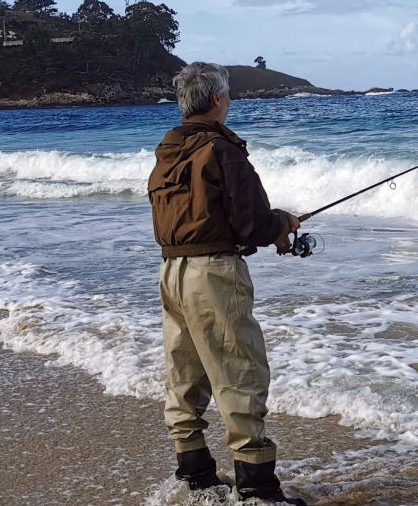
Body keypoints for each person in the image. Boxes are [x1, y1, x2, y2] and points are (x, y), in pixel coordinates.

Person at [147, 62, 306, 506]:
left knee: (185, 373)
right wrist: (281, 224)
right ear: (217, 100)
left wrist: (269, 225)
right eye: (228, 95)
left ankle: (195, 476)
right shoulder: (223, 150)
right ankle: (257, 489)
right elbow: (252, 223)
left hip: (171, 272)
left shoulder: (169, 149)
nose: (229, 101)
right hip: (213, 275)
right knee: (240, 373)